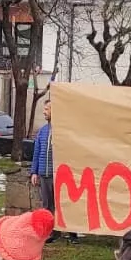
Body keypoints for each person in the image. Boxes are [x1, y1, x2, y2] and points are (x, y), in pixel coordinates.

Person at [28, 100, 76, 244]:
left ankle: (72, 233)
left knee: (63, 205)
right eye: (44, 109)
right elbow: (37, 152)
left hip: (59, 175)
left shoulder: (63, 131)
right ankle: (52, 232)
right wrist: (34, 172)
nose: (44, 112)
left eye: (47, 109)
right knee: (47, 205)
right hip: (45, 174)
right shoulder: (42, 131)